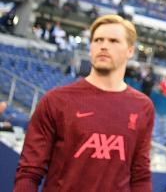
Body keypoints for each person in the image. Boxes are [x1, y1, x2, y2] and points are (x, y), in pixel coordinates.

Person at [14, 14, 155, 191]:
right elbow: (29, 172)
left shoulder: (143, 107)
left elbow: (140, 175)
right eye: (98, 40)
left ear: (130, 51)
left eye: (113, 41)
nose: (103, 46)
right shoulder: (56, 101)